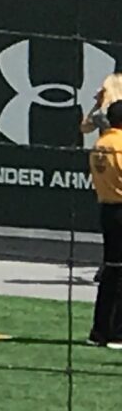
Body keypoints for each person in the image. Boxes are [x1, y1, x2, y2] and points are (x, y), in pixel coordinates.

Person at [89, 99, 122, 349]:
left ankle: (99, 330)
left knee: (111, 271)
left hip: (107, 209)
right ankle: (117, 333)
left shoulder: (100, 143)